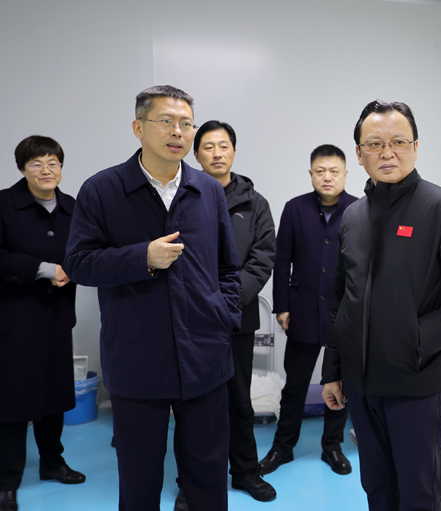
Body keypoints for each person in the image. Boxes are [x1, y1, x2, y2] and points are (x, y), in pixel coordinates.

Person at [63, 85, 241, 511]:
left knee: (208, 477)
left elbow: (228, 267)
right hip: (137, 357)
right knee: (139, 480)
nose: (177, 131)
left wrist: (225, 315)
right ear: (138, 128)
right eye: (166, 121)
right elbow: (79, 263)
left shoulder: (208, 190)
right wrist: (141, 257)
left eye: (186, 123)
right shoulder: (102, 189)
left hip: (205, 355)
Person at [321, 100, 441, 511]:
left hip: (416, 386)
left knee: (418, 497)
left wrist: (419, 339)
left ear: (416, 147)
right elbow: (342, 299)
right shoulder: (353, 216)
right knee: (377, 489)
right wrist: (333, 371)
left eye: (399, 142)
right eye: (375, 144)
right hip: (361, 386)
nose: (388, 153)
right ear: (359, 153)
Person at [258, 144, 357, 477]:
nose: (327, 177)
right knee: (295, 384)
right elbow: (281, 261)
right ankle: (282, 447)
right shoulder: (295, 208)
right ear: (311, 174)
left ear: (345, 174)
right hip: (301, 309)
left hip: (343, 312)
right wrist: (282, 307)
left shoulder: (359, 209)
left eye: (334, 171)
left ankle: (332, 446)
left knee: (339, 383)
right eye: (320, 171)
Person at [191, 120, 277, 504]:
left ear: (234, 152)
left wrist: (225, 302)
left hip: (237, 318)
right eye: (208, 147)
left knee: (239, 400)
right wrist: (202, 303)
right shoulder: (184, 197)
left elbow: (262, 259)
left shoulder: (255, 204)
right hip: (192, 319)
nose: (217, 153)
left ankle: (245, 472)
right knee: (196, 404)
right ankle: (193, 481)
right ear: (197, 155)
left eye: (223, 146)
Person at [0, 136, 85, 511]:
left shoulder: (72, 207)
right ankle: (6, 481)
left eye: (53, 163)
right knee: (12, 402)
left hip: (57, 317)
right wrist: (44, 269)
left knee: (54, 396)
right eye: (36, 163)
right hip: (15, 319)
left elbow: (86, 250)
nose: (46, 170)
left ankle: (52, 462)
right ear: (22, 169)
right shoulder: (3, 204)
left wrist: (76, 269)